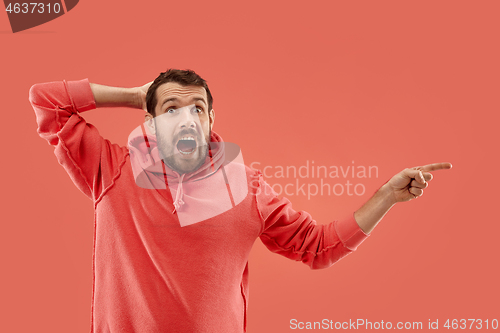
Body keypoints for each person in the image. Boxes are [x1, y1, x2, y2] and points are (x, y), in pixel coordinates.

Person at [29, 69, 451, 333]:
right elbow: (46, 99)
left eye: (198, 107)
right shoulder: (111, 168)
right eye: (171, 108)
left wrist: (386, 197)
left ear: (211, 120)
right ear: (152, 125)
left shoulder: (246, 188)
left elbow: (320, 247)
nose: (186, 116)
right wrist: (135, 95)